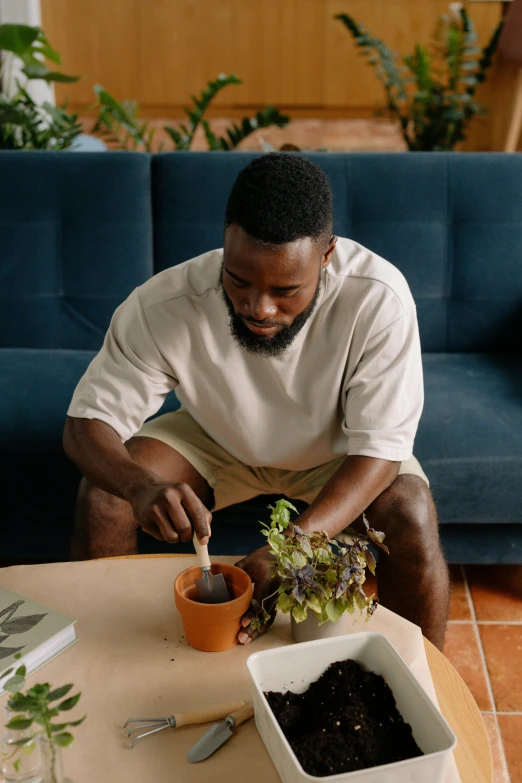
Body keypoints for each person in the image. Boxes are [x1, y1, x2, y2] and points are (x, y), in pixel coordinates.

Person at [63, 153, 449, 650]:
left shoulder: (379, 300)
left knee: (412, 513)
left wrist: (289, 548)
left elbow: (378, 454)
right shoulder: (164, 303)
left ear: (327, 256)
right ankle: (101, 656)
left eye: (286, 289)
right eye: (239, 280)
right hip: (217, 438)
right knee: (104, 496)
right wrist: (139, 486)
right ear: (225, 243)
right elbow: (85, 424)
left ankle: (425, 686)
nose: (259, 307)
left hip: (336, 450)